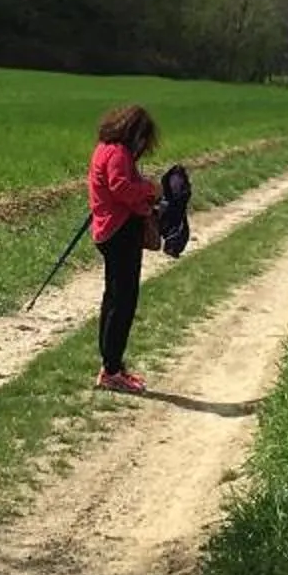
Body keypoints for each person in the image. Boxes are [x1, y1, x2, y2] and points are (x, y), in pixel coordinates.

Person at [88, 103, 162, 393]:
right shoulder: (119, 153)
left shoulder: (103, 149)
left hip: (108, 231)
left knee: (114, 299)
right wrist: (150, 191)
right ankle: (111, 371)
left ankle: (111, 363)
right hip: (120, 232)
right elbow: (121, 188)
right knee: (123, 302)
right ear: (136, 133)